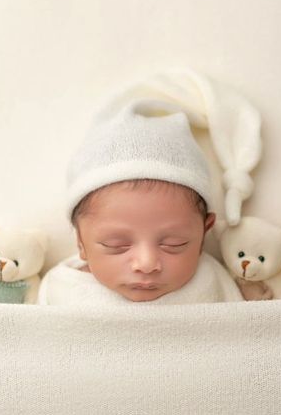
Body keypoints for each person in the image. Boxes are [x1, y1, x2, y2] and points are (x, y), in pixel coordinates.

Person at [38, 98, 243, 305]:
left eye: (174, 244)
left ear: (204, 233)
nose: (146, 264)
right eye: (116, 245)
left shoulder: (210, 286)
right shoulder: (65, 292)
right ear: (80, 241)